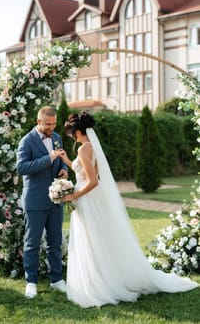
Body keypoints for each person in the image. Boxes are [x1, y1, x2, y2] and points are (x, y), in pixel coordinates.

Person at [58, 111, 198, 308]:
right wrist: (66, 161)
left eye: (71, 132)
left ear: (78, 131)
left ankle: (99, 283)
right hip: (90, 199)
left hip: (87, 198)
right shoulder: (90, 147)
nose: (70, 136)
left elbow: (92, 182)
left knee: (92, 238)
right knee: (95, 238)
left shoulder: (83, 150)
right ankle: (101, 277)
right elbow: (83, 172)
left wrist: (73, 195)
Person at [16, 106, 68, 299]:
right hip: (35, 200)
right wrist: (49, 158)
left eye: (54, 124)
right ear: (38, 122)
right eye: (48, 124)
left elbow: (61, 160)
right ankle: (31, 281)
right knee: (32, 243)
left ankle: (56, 279)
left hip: (56, 200)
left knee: (55, 242)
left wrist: (64, 169)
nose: (51, 128)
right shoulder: (26, 141)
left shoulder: (57, 137)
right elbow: (21, 167)